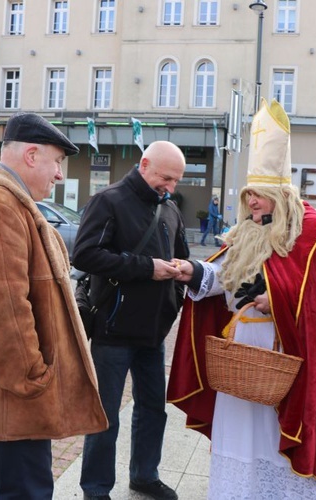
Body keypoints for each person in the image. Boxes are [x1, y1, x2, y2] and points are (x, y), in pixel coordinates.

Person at [167, 99, 316, 499]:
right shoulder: (248, 231)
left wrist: (278, 301)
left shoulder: (312, 230)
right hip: (241, 364)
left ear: (278, 192)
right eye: (248, 194)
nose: (251, 201)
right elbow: (229, 274)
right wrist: (195, 272)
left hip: (287, 363)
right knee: (239, 439)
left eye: (259, 194)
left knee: (274, 444)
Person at [0, 112, 107, 499]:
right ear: (32, 156)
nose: (59, 176)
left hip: (6, 397)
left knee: (2, 486)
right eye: (57, 162)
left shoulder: (5, 202)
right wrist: (32, 380)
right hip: (15, 397)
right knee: (22, 490)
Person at [72, 140, 189, 500]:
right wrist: (145, 268)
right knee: (105, 416)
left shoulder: (169, 208)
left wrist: (182, 279)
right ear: (144, 164)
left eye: (176, 181)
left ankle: (144, 475)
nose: (171, 188)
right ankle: (95, 489)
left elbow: (182, 257)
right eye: (166, 178)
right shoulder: (108, 200)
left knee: (153, 409)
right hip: (113, 329)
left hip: (154, 332)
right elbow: (84, 255)